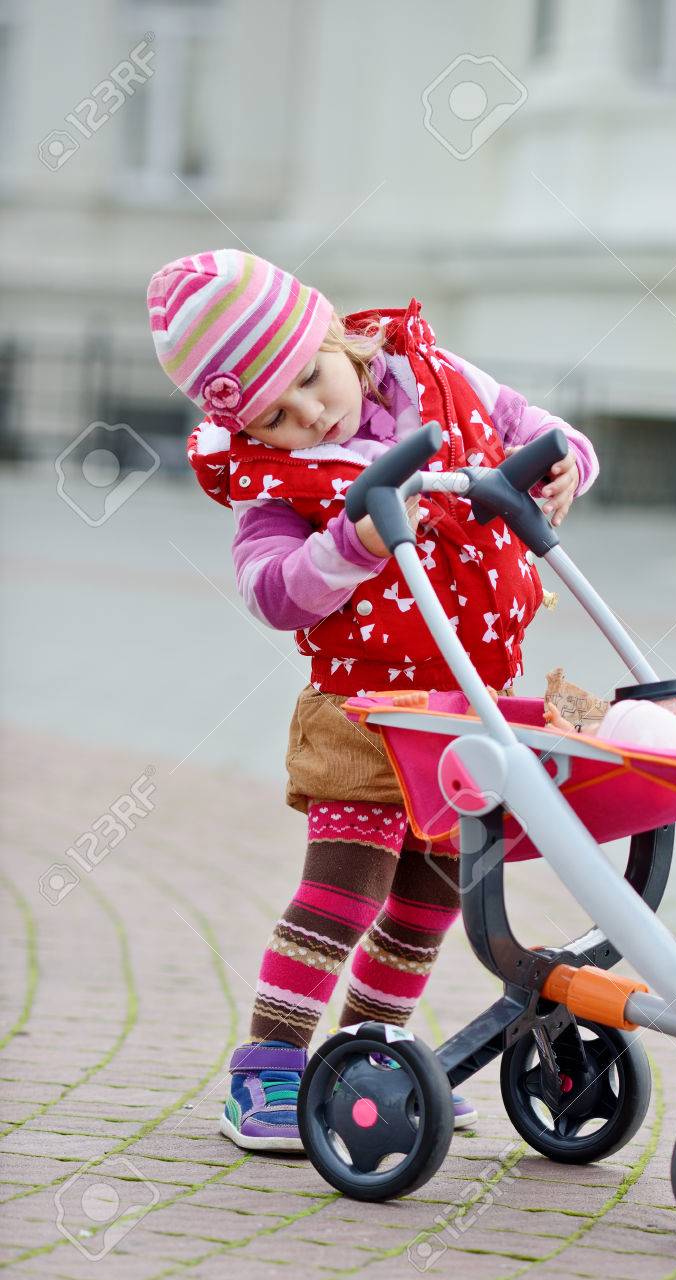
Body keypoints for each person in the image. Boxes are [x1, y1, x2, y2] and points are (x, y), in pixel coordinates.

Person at [147, 248, 599, 1151]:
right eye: (273, 416)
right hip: (363, 716)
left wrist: (567, 463)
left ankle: (372, 1057)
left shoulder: (437, 379)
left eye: (309, 380)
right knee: (342, 895)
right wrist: (346, 547)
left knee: (431, 901)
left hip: (468, 709)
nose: (308, 415)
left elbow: (529, 423)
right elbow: (271, 592)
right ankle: (268, 1067)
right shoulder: (271, 482)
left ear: (335, 335)